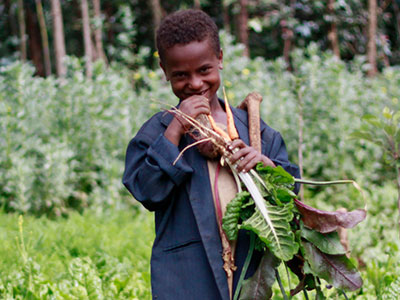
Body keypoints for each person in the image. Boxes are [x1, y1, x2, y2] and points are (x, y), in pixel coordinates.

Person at [123, 9, 300, 300]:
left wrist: (265, 165)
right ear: (165, 71)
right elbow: (146, 191)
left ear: (219, 58)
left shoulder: (255, 130)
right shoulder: (158, 130)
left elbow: (292, 193)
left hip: (247, 270)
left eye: (204, 70)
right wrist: (177, 128)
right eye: (181, 75)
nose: (194, 83)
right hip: (184, 276)